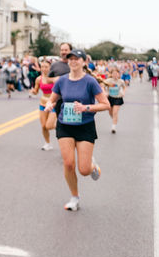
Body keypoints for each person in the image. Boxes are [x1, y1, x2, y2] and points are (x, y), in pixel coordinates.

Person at [44, 48, 110, 211]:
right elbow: (52, 99)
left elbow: (105, 104)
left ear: (83, 62)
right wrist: (49, 104)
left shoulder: (90, 81)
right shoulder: (61, 81)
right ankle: (74, 197)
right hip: (65, 125)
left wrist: (86, 107)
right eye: (70, 59)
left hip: (85, 127)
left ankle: (92, 166)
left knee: (84, 170)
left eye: (77, 59)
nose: (73, 61)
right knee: (68, 164)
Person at [30, 58, 57, 150]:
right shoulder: (39, 79)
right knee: (43, 126)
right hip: (43, 102)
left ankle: (62, 126)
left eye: (46, 67)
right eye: (42, 67)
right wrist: (33, 91)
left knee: (49, 125)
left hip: (53, 103)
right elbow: (36, 91)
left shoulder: (54, 78)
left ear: (50, 68)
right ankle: (47, 143)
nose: (44, 69)